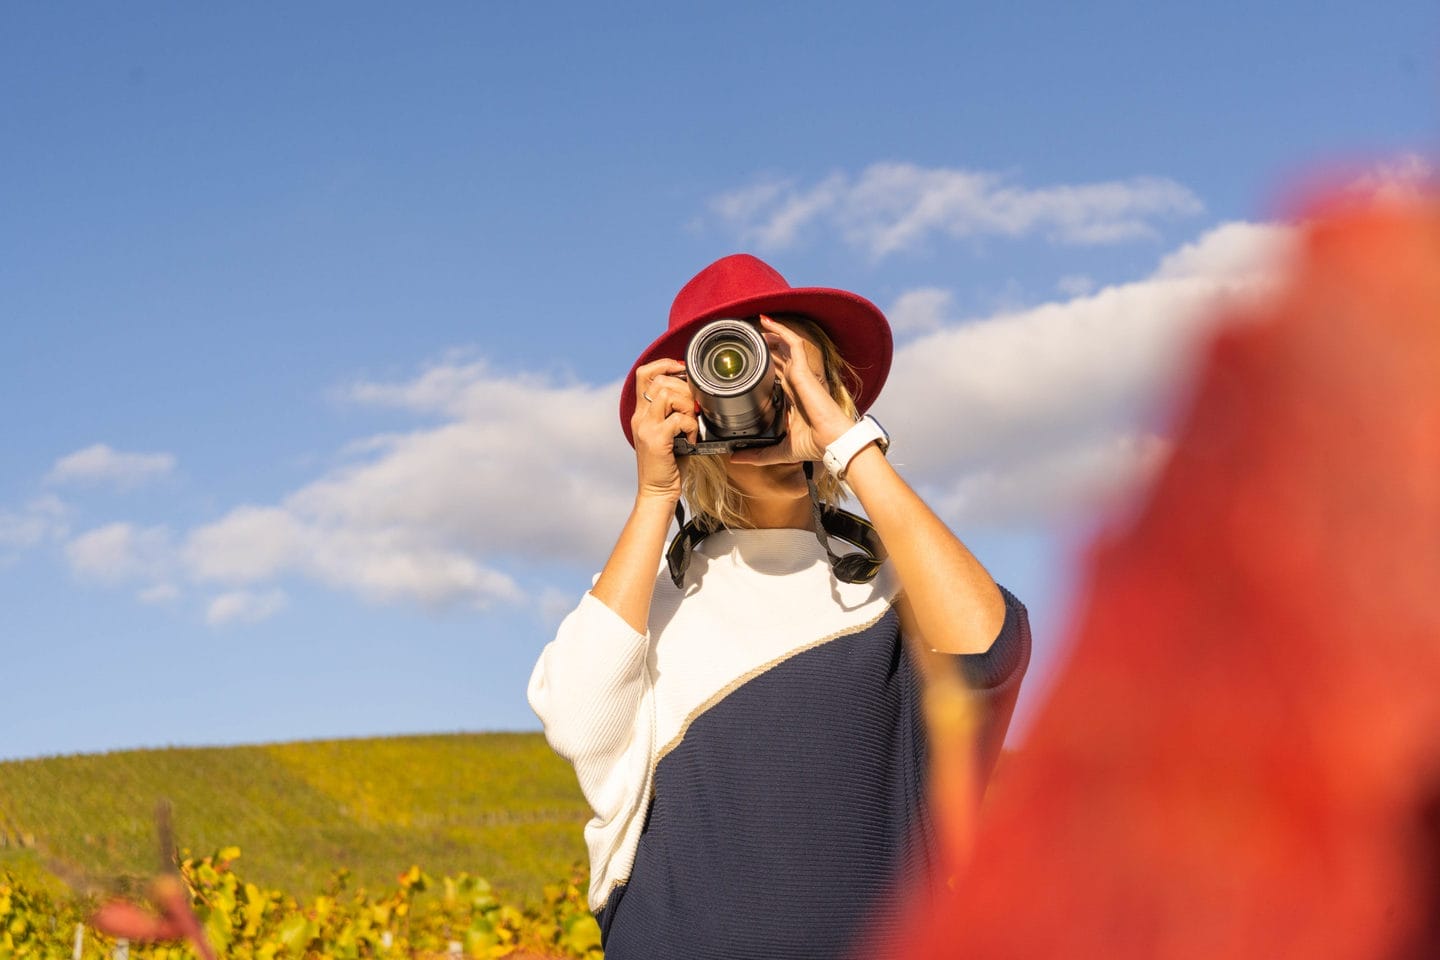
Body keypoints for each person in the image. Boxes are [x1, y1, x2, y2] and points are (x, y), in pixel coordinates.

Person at [528, 254, 1030, 959]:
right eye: (718, 372)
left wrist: (845, 439)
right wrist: (653, 496)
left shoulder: (892, 588)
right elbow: (580, 723)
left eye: (774, 368)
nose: (745, 394)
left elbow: (991, 653)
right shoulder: (648, 601)